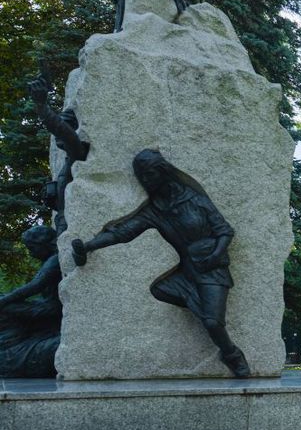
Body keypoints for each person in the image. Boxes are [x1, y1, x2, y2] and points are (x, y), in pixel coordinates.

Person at [71, 149, 250, 377]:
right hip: (187, 271)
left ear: (162, 171)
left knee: (213, 323)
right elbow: (124, 232)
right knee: (160, 289)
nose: (145, 181)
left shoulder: (193, 198)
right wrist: (88, 246)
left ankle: (232, 354)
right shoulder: (155, 210)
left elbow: (224, 230)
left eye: (148, 175)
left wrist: (215, 255)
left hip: (212, 269)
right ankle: (197, 301)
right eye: (141, 177)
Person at [0, 226, 63, 377]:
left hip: (52, 308)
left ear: (44, 244)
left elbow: (35, 286)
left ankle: (9, 344)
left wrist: (3, 301)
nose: (31, 253)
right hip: (46, 304)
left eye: (33, 248)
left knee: (7, 308)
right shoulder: (50, 259)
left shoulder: (55, 260)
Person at [29, 76, 89, 233]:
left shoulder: (78, 152)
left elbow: (62, 131)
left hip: (76, 228)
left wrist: (41, 106)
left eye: (61, 132)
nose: (57, 137)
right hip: (66, 228)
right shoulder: (69, 162)